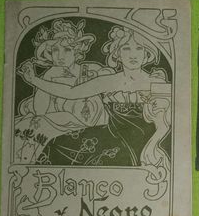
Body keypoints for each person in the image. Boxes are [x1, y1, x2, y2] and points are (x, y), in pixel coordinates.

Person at [18, 25, 169, 167]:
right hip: (110, 138)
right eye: (126, 48)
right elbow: (71, 92)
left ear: (146, 54)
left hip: (144, 141)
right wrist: (34, 80)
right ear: (117, 54)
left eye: (139, 48)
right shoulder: (108, 81)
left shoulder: (156, 82)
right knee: (56, 144)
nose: (132, 54)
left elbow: (168, 120)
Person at [14, 18, 123, 165]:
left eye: (67, 50)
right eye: (55, 50)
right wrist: (40, 83)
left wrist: (35, 80)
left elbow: (110, 81)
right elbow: (40, 111)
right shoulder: (49, 75)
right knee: (26, 127)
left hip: (94, 129)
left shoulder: (90, 69)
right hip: (62, 127)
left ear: (76, 51)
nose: (60, 56)